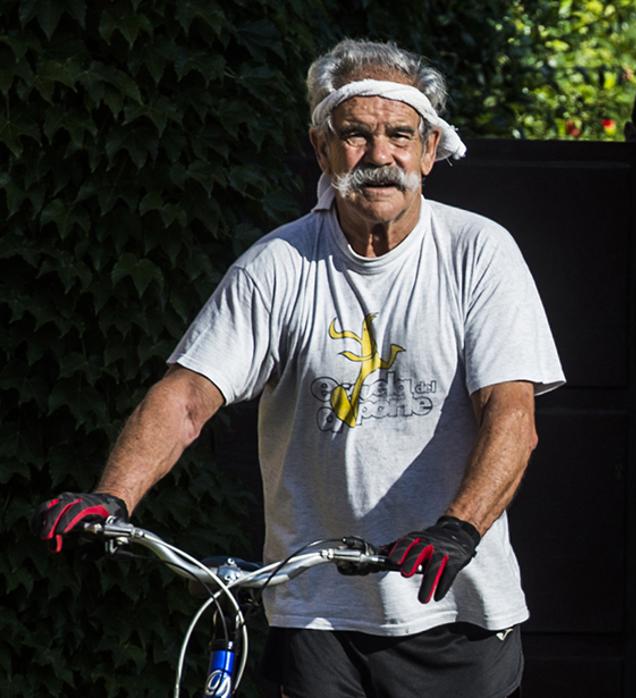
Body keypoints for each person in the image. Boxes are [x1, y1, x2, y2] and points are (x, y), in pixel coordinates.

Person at [34, 38, 564, 698]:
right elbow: (188, 395)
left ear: (429, 151)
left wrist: (459, 527)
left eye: (400, 135)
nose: (379, 156)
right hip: (316, 612)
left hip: (455, 608)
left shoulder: (478, 255)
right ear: (322, 148)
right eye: (355, 135)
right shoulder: (279, 267)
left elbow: (511, 414)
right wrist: (114, 497)